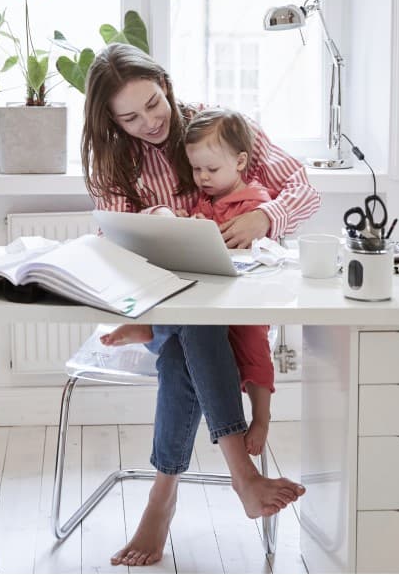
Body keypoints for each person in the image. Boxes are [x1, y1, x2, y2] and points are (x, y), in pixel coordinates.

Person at [82, 43, 320, 567]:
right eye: (130, 116)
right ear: (111, 121)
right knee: (189, 326)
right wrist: (160, 225)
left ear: (165, 84)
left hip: (227, 302)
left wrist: (268, 217)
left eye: (153, 102)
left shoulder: (218, 126)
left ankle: (161, 499)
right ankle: (242, 475)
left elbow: (303, 186)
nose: (149, 121)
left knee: (183, 349)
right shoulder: (113, 166)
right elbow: (114, 245)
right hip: (163, 301)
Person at [101, 107, 277, 457]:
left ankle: (261, 417)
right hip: (207, 301)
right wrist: (187, 224)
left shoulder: (255, 203)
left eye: (211, 169)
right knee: (184, 310)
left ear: (241, 162)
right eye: (196, 169)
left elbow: (266, 252)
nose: (202, 177)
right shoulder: (205, 199)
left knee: (255, 348)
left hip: (243, 302)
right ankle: (151, 328)